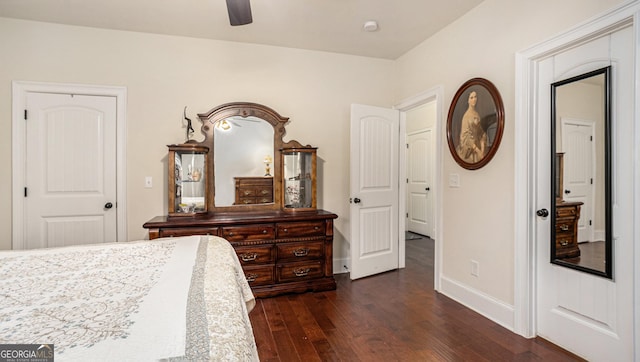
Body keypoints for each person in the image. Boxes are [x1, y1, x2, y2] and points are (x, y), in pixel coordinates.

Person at [456, 91, 487, 163]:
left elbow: (481, 132)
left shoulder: (477, 114)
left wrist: (482, 149)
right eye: (471, 97)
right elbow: (465, 137)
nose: (474, 99)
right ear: (468, 100)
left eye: (475, 97)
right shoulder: (466, 117)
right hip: (470, 150)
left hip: (478, 147)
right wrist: (478, 150)